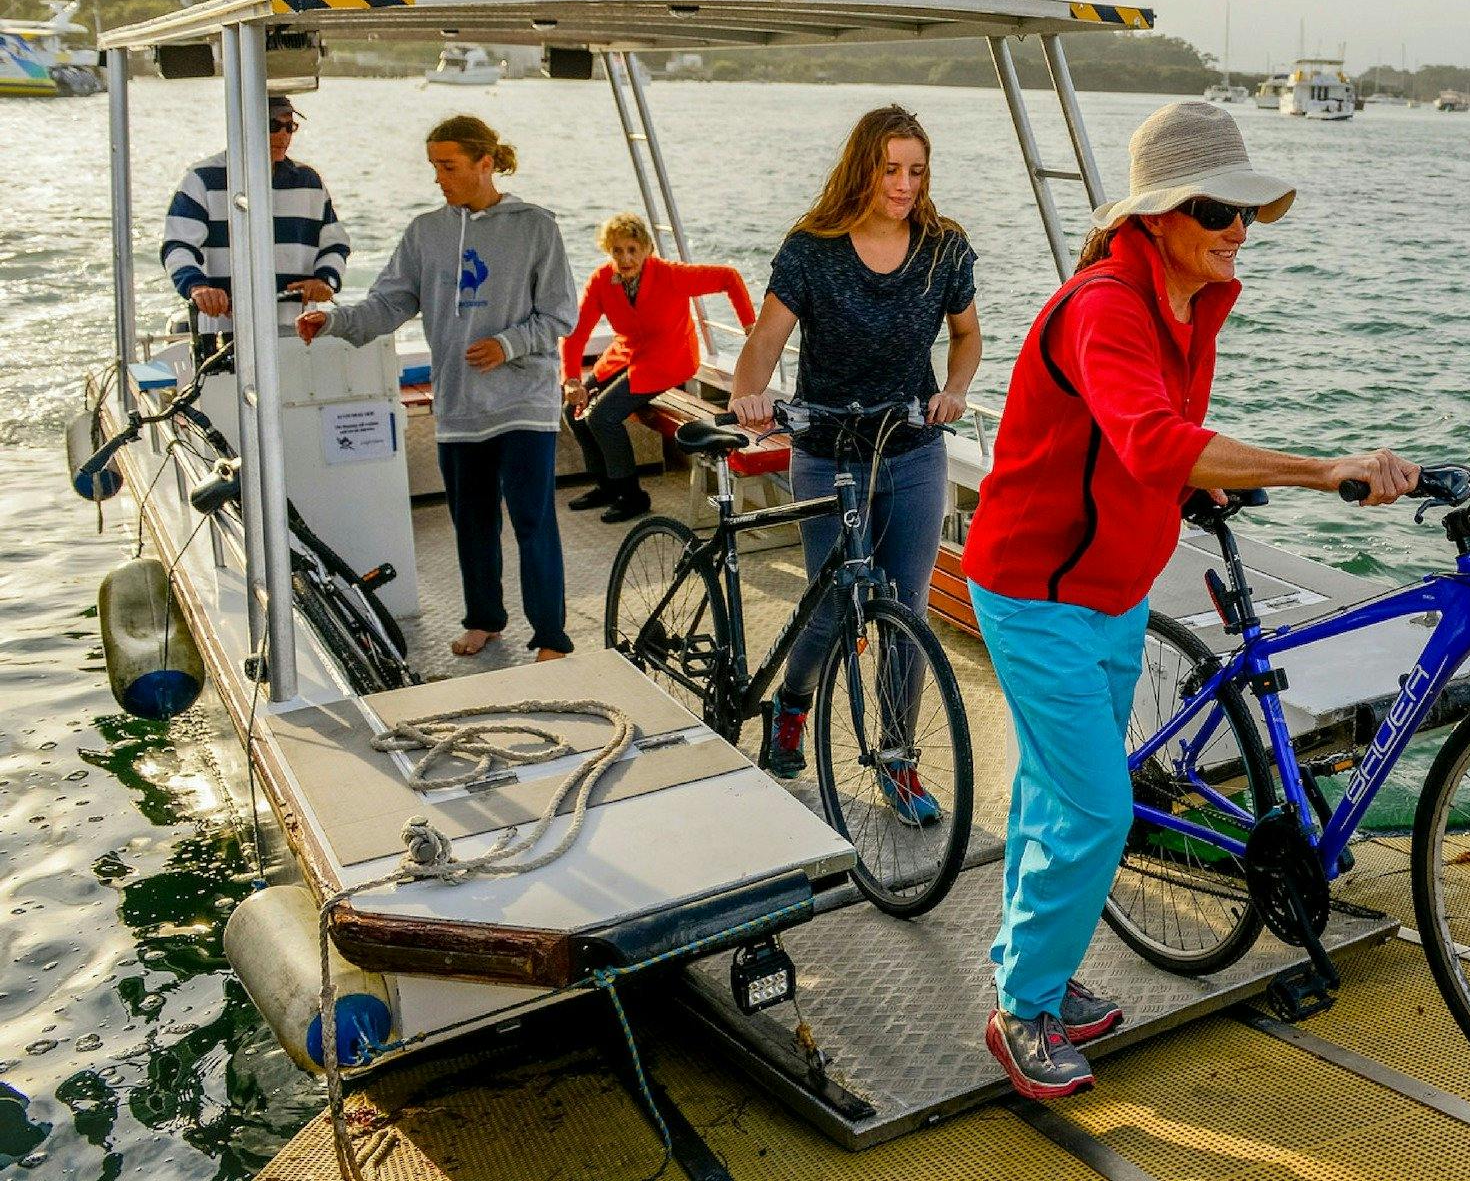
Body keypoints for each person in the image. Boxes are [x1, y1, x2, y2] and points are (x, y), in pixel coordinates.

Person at [961, 101, 1419, 1101]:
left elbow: (1150, 443)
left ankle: (1029, 971)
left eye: (1246, 213)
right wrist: (1319, 470)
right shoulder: (1105, 306)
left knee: (1052, 795)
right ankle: (1021, 1012)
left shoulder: (1188, 305)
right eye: (1216, 210)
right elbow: (1151, 437)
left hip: (1113, 589)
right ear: (1156, 214)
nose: (1236, 230)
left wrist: (1188, 479)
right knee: (1092, 810)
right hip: (1035, 593)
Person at [729, 105, 981, 819]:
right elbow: (765, 338)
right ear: (862, 167)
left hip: (912, 447)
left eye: (917, 170)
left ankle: (897, 761)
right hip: (825, 448)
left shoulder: (943, 248)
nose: (904, 184)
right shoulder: (812, 248)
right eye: (891, 168)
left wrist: (956, 390)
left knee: (905, 606)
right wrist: (751, 395)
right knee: (833, 603)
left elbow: (966, 336)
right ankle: (794, 703)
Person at [296, 114, 578, 662]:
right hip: (459, 405)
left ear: (485, 163)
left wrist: (509, 345)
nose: (439, 178)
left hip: (525, 402)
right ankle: (484, 620)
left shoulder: (535, 227)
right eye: (434, 167)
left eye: (448, 166)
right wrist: (333, 321)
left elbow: (560, 315)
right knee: (471, 521)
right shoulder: (426, 233)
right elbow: (388, 305)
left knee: (531, 518)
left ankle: (551, 637)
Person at [560, 212, 758, 523]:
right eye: (617, 250)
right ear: (608, 251)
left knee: (603, 417)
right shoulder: (601, 281)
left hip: (669, 358)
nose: (625, 258)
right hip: (627, 354)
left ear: (647, 249)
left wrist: (750, 327)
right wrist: (572, 379)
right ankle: (607, 487)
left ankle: (633, 496)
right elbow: (576, 333)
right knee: (574, 410)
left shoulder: (670, 274)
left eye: (632, 249)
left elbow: (728, 277)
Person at [160, 92, 350, 334]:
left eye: (290, 127)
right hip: (224, 334)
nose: (283, 135)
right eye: (274, 126)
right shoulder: (201, 180)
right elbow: (177, 246)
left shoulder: (310, 182)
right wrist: (197, 288)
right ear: (245, 127)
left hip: (298, 333)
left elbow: (335, 245)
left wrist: (326, 280)